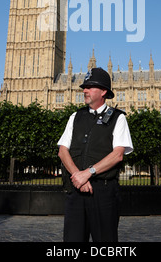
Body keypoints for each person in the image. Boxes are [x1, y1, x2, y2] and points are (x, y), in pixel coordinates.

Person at [58, 67, 133, 242]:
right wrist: (78, 176)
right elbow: (63, 151)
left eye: (90, 87)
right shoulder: (75, 117)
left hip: (103, 191)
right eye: (85, 87)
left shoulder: (118, 118)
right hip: (76, 189)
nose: (85, 90)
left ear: (104, 92)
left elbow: (118, 155)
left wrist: (88, 173)